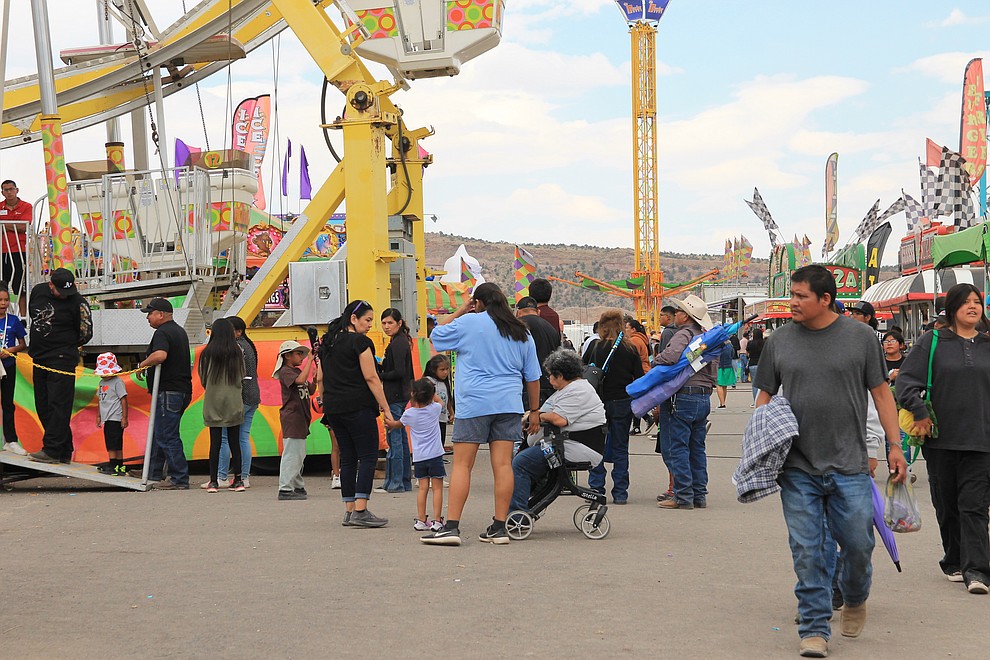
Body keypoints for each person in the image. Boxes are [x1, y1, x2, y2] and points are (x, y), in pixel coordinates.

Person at [754, 265, 907, 657]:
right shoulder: (779, 341)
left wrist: (894, 445)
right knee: (808, 549)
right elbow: (764, 397)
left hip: (850, 464)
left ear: (826, 299)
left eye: (801, 296)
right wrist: (759, 441)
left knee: (858, 544)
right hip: (797, 465)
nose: (793, 302)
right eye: (792, 294)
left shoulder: (860, 339)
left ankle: (855, 597)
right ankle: (814, 627)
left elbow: (882, 394)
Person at [421, 282, 542, 546]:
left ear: (478, 303)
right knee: (503, 465)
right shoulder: (521, 331)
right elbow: (533, 377)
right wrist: (534, 410)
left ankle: (451, 527)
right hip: (508, 404)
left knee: (463, 465)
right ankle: (500, 527)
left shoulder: (470, 323)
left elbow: (437, 336)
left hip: (474, 404)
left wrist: (463, 310)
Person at [897, 283, 990, 595]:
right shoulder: (932, 341)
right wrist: (920, 411)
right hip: (940, 440)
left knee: (975, 505)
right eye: (965, 303)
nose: (973, 307)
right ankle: (954, 558)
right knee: (947, 504)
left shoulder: (988, 345)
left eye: (977, 302)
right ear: (952, 309)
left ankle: (977, 571)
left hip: (981, 439)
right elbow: (906, 384)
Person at [320, 300, 394, 528]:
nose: (370, 325)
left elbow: (320, 378)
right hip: (357, 406)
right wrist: (386, 408)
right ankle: (361, 509)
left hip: (334, 408)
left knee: (348, 458)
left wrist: (324, 401)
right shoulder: (360, 342)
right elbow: (372, 377)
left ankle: (349, 509)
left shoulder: (328, 342)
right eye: (368, 319)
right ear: (354, 319)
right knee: (368, 456)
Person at [510, 348, 606, 514]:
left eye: (550, 375)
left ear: (560, 375)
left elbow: (559, 419)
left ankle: (517, 514)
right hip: (566, 443)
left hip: (575, 447)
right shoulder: (571, 389)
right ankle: (524, 506)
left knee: (521, 463)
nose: (549, 379)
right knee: (524, 459)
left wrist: (539, 416)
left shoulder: (578, 391)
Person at [655, 294, 717, 510]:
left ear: (685, 316)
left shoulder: (684, 335)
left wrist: (657, 360)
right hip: (703, 395)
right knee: (697, 447)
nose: (676, 314)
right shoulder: (709, 338)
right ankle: (699, 494)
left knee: (677, 447)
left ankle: (683, 495)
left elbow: (671, 357)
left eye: (679, 311)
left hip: (682, 395)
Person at [27, 268, 93, 464]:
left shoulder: (78, 302)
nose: (65, 296)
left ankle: (53, 449)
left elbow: (86, 331)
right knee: (43, 404)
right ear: (50, 285)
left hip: (62, 358)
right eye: (60, 292)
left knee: (59, 404)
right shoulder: (38, 291)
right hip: (39, 358)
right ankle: (64, 448)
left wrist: (66, 344)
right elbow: (33, 314)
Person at [582, 309, 643, 505]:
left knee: (596, 445)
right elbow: (639, 378)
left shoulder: (594, 347)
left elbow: (582, 371)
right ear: (621, 325)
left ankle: (597, 488)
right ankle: (620, 492)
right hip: (622, 402)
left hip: (597, 403)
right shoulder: (630, 348)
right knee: (620, 447)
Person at [134, 298, 192, 489]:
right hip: (181, 390)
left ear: (161, 314)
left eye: (150, 314)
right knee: (159, 433)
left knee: (167, 435)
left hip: (168, 391)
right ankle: (152, 472)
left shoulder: (162, 332)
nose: (148, 318)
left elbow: (160, 355)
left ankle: (179, 478)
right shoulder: (179, 331)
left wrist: (142, 365)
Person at [385, 378, 446, 532]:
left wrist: (390, 424)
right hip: (435, 455)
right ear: (431, 395)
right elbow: (441, 402)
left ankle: (421, 520)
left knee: (422, 488)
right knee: (437, 489)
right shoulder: (434, 409)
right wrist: (433, 394)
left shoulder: (409, 414)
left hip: (419, 457)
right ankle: (437, 521)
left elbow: (398, 424)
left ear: (413, 394)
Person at [199, 318, 245, 493]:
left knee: (215, 443)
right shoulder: (237, 352)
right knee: (235, 442)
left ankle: (213, 482)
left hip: (213, 401)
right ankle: (239, 480)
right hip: (234, 401)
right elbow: (242, 375)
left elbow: (203, 378)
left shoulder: (207, 353)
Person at [217, 316, 260, 489]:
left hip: (239, 396)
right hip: (253, 396)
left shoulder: (235, 347)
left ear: (238, 332)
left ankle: (221, 476)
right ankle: (244, 476)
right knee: (243, 437)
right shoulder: (249, 346)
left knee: (225, 437)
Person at [379, 307, 415, 493]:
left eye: (390, 323)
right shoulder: (400, 341)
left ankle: (395, 483)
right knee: (400, 439)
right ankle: (402, 482)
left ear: (399, 323)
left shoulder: (398, 343)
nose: (386, 326)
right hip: (400, 395)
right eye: (384, 323)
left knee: (395, 440)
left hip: (394, 396)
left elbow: (400, 372)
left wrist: (380, 374)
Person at [274, 340, 316, 501]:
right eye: (298, 354)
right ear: (287, 356)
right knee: (292, 454)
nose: (301, 357)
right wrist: (310, 361)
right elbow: (299, 382)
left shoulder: (298, 371)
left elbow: (309, 389)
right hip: (293, 418)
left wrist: (314, 375)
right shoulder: (286, 372)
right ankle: (285, 488)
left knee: (299, 454)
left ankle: (297, 485)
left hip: (301, 418)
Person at [516, 296, 561, 407]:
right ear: (538, 311)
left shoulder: (518, 328)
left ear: (518, 312)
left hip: (527, 388)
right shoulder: (551, 328)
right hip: (550, 385)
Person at [0, 284, 27, 454]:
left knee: (8, 403)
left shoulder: (14, 320)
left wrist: (10, 351)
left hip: (8, 366)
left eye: (5, 300)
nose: (3, 303)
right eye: (0, 300)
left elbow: (23, 345)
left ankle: (10, 441)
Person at [94, 352, 128, 476]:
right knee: (112, 441)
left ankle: (114, 464)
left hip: (115, 417)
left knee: (114, 442)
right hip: (106, 417)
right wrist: (98, 416)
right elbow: (100, 400)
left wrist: (124, 417)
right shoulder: (102, 383)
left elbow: (123, 399)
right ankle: (118, 465)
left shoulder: (118, 382)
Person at [1, 180, 31, 315]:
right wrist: (14, 225)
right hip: (2, 252)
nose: (9, 192)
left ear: (17, 190)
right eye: (5, 190)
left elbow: (24, 227)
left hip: (19, 251)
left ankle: (24, 318)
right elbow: (18, 226)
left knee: (20, 287)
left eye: (11, 189)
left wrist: (3, 225)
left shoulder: (26, 206)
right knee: (2, 286)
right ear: (2, 192)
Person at [624, 316, 651, 434]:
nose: (626, 330)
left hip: (638, 372)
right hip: (644, 370)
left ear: (633, 329)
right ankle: (638, 425)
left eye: (627, 328)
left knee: (634, 399)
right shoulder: (642, 340)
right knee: (637, 399)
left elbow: (630, 358)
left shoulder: (634, 341)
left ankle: (646, 419)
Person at [423, 354, 454, 452]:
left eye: (447, 369)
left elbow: (448, 398)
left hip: (442, 418)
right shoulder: (429, 381)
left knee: (441, 442)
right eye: (442, 369)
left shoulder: (445, 382)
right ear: (433, 369)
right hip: (431, 420)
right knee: (431, 444)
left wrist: (451, 412)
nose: (445, 372)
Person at [715, 340, 736, 408]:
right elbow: (732, 355)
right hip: (728, 366)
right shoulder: (730, 345)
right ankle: (723, 402)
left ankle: (722, 403)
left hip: (720, 366)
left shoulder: (718, 345)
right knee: (724, 386)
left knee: (719, 384)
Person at [747, 327, 765, 406]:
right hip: (762, 364)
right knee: (762, 384)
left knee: (754, 384)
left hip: (752, 364)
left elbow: (747, 353)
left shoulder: (750, 343)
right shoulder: (764, 343)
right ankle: (762, 401)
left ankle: (755, 402)